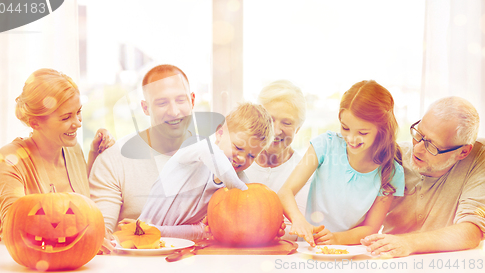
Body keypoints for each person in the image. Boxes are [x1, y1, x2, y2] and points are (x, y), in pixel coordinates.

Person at [278, 80, 405, 246]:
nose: (351, 139)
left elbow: (370, 228)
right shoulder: (326, 145)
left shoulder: (391, 171)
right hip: (311, 248)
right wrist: (298, 220)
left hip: (351, 251)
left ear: (382, 129)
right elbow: (285, 191)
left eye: (362, 132)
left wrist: (336, 239)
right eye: (345, 128)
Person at [0, 68, 114, 238]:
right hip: (24, 262)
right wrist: (86, 237)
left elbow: (79, 204)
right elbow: (14, 227)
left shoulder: (72, 149)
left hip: (74, 261)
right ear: (35, 123)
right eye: (66, 117)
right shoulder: (11, 158)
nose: (78, 123)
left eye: (78, 112)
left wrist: (95, 154)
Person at [361, 96, 485, 257]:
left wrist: (408, 243)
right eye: (419, 134)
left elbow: (471, 231)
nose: (417, 149)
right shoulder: (394, 157)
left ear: (463, 152)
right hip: (391, 260)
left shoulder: (478, 159)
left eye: (431, 145)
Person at [89, 64, 196, 251]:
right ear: (145, 108)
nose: (174, 111)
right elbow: (100, 232)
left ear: (192, 101)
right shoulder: (114, 160)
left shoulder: (216, 158)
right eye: (162, 103)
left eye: (181, 100)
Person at [137, 102, 274, 240]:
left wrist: (267, 224)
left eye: (251, 156)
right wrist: (237, 187)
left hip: (176, 242)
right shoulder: (195, 146)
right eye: (238, 147)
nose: (243, 159)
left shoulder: (240, 182)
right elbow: (209, 152)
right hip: (140, 233)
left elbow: (205, 230)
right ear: (220, 133)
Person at [244, 80, 311, 240]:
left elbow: (296, 231)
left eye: (287, 123)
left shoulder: (305, 172)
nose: (275, 130)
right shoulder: (238, 163)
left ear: (298, 129)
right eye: (270, 119)